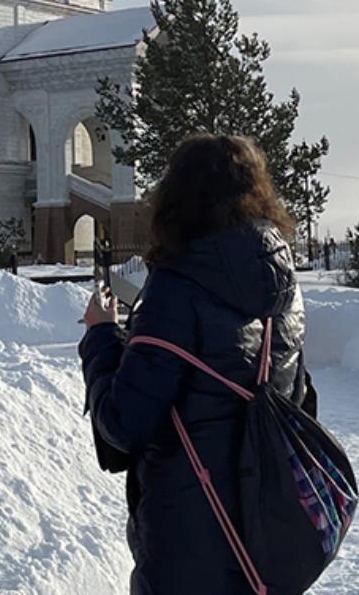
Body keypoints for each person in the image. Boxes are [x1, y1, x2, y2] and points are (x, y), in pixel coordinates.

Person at [79, 133, 308, 595]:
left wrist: (101, 336)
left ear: (176, 198)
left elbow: (124, 422)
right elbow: (298, 397)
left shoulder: (177, 287)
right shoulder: (284, 286)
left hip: (188, 531)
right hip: (269, 523)